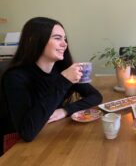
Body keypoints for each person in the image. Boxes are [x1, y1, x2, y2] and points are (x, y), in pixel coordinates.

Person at [0, 17, 103, 155]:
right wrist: (63, 81)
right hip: (18, 144)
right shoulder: (15, 77)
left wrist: (64, 111)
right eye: (57, 38)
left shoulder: (62, 69)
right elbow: (27, 132)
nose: (64, 44)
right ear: (35, 41)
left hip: (50, 134)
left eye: (64, 39)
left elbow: (95, 96)